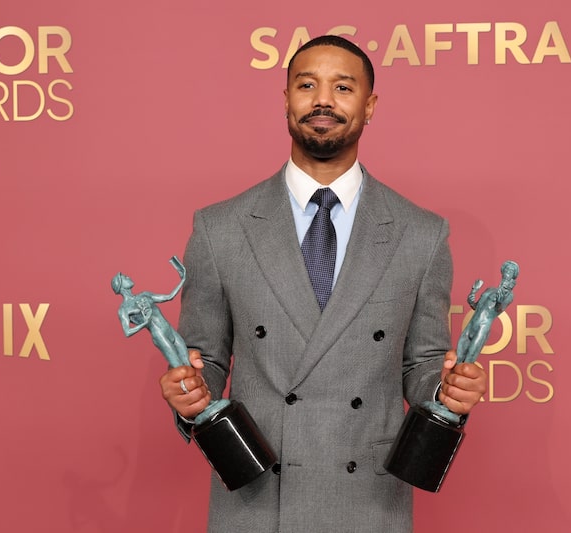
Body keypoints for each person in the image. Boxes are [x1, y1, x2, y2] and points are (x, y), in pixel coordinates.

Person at [159, 35, 488, 532]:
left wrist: (447, 390)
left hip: (368, 500)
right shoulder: (219, 229)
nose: (323, 101)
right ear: (286, 99)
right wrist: (188, 392)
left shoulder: (421, 233)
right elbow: (204, 360)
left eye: (343, 87)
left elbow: (421, 363)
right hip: (259, 495)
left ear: (369, 106)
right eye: (307, 85)